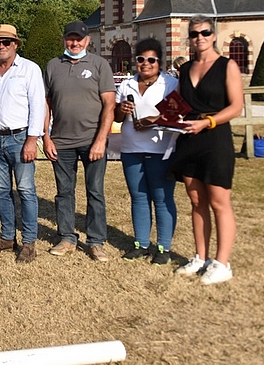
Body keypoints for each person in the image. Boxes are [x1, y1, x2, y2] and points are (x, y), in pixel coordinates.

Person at [169, 16, 243, 285]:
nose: (199, 37)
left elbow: (236, 107)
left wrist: (208, 122)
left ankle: (222, 263)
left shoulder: (227, 66)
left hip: (215, 137)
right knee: (196, 201)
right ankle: (200, 257)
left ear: (213, 35)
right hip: (190, 139)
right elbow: (177, 104)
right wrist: (159, 119)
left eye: (204, 32)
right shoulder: (186, 69)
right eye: (194, 33)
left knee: (219, 201)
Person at [0, 24, 46, 263]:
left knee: (25, 191)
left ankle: (28, 242)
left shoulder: (29, 69)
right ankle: (6, 237)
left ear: (15, 44)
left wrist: (33, 140)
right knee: (2, 191)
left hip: (20, 137)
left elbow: (37, 106)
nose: (1, 46)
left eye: (6, 42)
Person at [43, 21, 116, 261]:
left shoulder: (99, 65)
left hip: (91, 140)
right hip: (61, 141)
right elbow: (46, 103)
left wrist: (100, 140)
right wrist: (46, 135)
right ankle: (66, 237)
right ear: (64, 39)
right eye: (70, 39)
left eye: (79, 39)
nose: (74, 43)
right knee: (64, 193)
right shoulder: (53, 65)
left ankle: (95, 241)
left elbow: (109, 105)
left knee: (95, 191)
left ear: (88, 41)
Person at [113, 38, 179, 265]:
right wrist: (121, 109)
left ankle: (164, 248)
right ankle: (141, 244)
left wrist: (153, 119)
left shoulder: (169, 84)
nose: (146, 64)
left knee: (161, 198)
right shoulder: (126, 84)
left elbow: (178, 114)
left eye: (151, 60)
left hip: (160, 149)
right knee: (139, 197)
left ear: (159, 62)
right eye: (141, 59)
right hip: (131, 149)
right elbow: (117, 118)